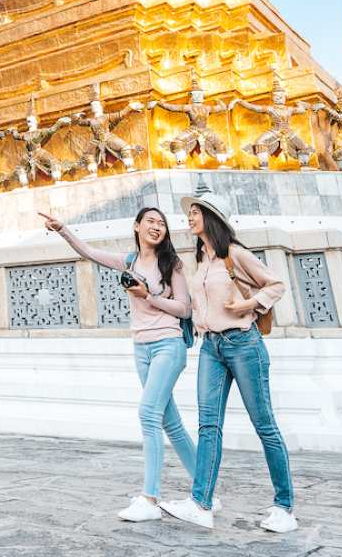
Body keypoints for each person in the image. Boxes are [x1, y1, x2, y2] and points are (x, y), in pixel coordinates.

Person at [38, 206, 209, 522]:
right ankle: (207, 491)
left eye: (161, 223)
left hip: (167, 345)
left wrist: (148, 296)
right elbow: (89, 252)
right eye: (150, 222)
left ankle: (150, 498)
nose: (156, 227)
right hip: (141, 347)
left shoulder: (171, 263)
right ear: (137, 226)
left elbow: (184, 309)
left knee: (148, 414)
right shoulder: (129, 261)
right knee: (169, 422)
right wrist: (62, 229)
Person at [159, 183, 297, 534]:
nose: (189, 218)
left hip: (243, 344)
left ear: (212, 218)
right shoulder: (200, 261)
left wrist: (249, 304)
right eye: (189, 213)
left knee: (264, 425)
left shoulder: (234, 254)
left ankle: (284, 506)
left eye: (195, 212)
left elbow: (275, 284)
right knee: (209, 426)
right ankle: (201, 502)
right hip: (211, 348)